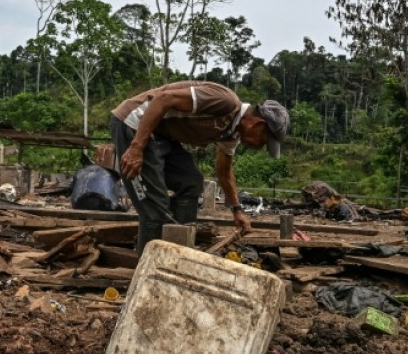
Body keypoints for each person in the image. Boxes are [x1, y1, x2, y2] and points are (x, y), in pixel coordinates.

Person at [110, 80, 289, 253]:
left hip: (161, 135)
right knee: (154, 210)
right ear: (257, 124)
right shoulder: (225, 101)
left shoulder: (231, 134)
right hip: (134, 124)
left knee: (191, 182)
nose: (260, 146)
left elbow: (224, 171)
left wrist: (237, 210)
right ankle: (149, 270)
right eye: (264, 141)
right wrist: (136, 147)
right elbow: (163, 99)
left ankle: (179, 247)